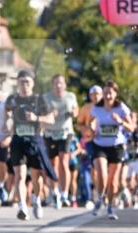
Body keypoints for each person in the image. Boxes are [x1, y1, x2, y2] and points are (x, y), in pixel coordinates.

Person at [4, 72, 56, 220]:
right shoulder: (12, 99)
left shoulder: (39, 100)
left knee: (36, 176)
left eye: (27, 82)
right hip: (18, 140)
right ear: (17, 83)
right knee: (19, 175)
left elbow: (51, 119)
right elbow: (7, 114)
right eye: (21, 82)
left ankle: (36, 199)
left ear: (32, 83)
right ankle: (22, 207)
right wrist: (7, 124)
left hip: (34, 139)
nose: (24, 85)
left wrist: (36, 118)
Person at [89, 79, 135, 220]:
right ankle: (100, 200)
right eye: (105, 93)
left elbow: (132, 127)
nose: (107, 96)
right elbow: (90, 121)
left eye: (110, 93)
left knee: (113, 181)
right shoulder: (97, 107)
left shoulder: (121, 108)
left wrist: (120, 121)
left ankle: (110, 206)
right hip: (100, 145)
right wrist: (92, 128)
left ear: (115, 94)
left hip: (116, 146)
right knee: (102, 174)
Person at [43, 74, 79, 207]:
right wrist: (49, 114)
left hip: (65, 132)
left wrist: (73, 112)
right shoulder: (46, 98)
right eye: (56, 83)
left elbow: (76, 110)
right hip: (50, 133)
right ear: (52, 85)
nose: (58, 86)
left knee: (64, 162)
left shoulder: (70, 96)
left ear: (65, 85)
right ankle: (55, 191)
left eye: (61, 83)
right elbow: (41, 114)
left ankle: (64, 193)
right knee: (52, 164)